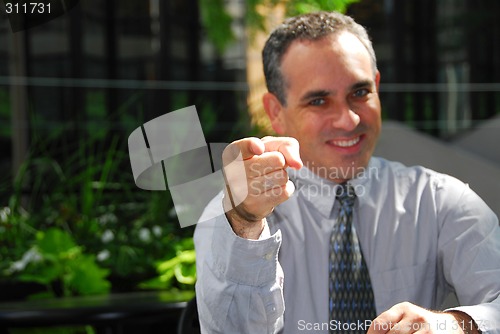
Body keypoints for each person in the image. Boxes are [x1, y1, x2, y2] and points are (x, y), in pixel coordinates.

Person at [193, 11, 500, 334]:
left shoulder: (439, 200)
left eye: (359, 93)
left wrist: (450, 324)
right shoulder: (234, 217)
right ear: (275, 112)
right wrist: (245, 223)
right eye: (319, 101)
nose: (348, 120)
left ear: (377, 87)